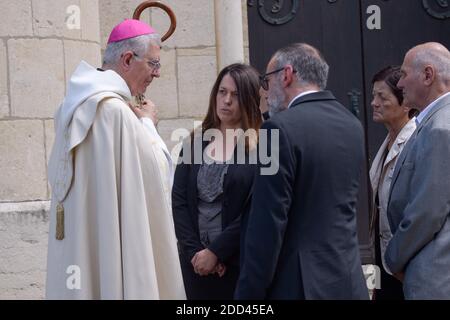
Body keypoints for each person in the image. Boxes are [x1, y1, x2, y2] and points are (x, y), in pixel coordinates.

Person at [46, 19, 185, 299]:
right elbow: (156, 177)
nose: (156, 74)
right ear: (127, 59)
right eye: (153, 64)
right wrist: (147, 124)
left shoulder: (69, 107)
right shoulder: (116, 113)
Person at [235, 43, 369, 299]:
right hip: (347, 281)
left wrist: (248, 294)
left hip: (298, 285)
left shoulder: (276, 130)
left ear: (286, 75)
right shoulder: (351, 124)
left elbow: (268, 224)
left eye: (266, 81)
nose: (265, 91)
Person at [172, 63, 262, 299]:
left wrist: (217, 253)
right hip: (195, 265)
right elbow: (179, 202)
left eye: (236, 94)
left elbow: (257, 209)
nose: (227, 100)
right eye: (222, 92)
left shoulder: (263, 147)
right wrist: (197, 254)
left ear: (250, 99)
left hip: (238, 264)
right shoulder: (194, 143)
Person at [385, 42, 450, 299]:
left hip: (435, 277)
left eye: (403, 74)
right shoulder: (434, 121)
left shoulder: (440, 128)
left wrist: (392, 258)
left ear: (427, 75)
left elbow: (427, 211)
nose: (399, 84)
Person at [368, 66, 416, 300]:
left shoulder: (416, 141)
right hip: (383, 257)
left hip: (405, 262)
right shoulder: (387, 140)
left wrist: (398, 257)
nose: (373, 103)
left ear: (405, 103)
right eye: (373, 95)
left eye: (382, 97)